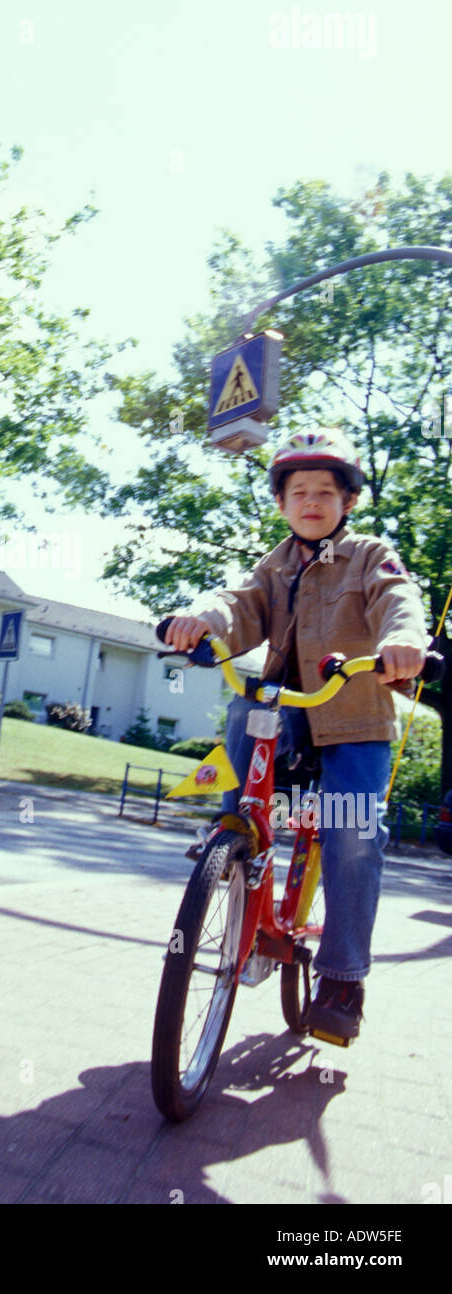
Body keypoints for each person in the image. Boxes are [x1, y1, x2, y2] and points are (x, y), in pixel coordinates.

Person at [157, 426, 427, 1042]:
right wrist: (203, 619)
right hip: (295, 709)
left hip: (355, 718)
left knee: (353, 833)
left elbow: (398, 596)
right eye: (298, 491)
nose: (311, 502)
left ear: (348, 502)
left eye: (326, 492)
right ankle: (235, 838)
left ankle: (342, 978)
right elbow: (239, 603)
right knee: (244, 709)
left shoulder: (367, 554)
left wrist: (402, 641)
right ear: (281, 503)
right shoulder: (275, 566)